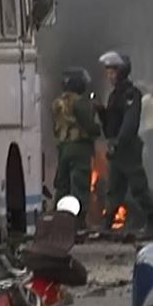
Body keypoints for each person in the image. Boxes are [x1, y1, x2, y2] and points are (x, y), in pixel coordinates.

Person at [96, 51, 153, 237]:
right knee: (114, 189)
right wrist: (101, 112)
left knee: (139, 187)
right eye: (108, 72)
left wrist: (119, 142)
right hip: (117, 149)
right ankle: (107, 226)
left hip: (128, 148)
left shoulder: (131, 94)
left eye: (113, 72)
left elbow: (130, 122)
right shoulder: (114, 95)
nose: (109, 76)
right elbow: (111, 126)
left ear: (122, 72)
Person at [51, 68, 100, 214]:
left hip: (63, 148)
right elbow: (89, 126)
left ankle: (59, 218)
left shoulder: (58, 103)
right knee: (80, 188)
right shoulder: (80, 102)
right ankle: (78, 221)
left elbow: (56, 128)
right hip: (80, 148)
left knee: (62, 187)